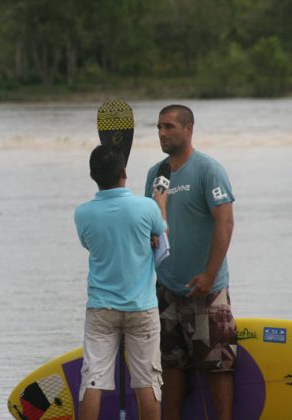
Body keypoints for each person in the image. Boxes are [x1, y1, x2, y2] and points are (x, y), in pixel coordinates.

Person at [144, 104, 236, 420]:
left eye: (169, 126)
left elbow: (225, 223)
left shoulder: (209, 170)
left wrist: (210, 275)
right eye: (158, 127)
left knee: (218, 364)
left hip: (206, 288)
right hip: (166, 288)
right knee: (170, 365)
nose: (162, 133)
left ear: (189, 128)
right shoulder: (155, 174)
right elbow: (151, 229)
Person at [74, 144, 168, 420]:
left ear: (93, 176)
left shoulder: (82, 214)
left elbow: (90, 245)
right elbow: (161, 234)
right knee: (148, 383)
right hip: (141, 308)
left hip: (101, 308)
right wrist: (160, 201)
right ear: (124, 172)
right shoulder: (146, 207)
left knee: (92, 381)